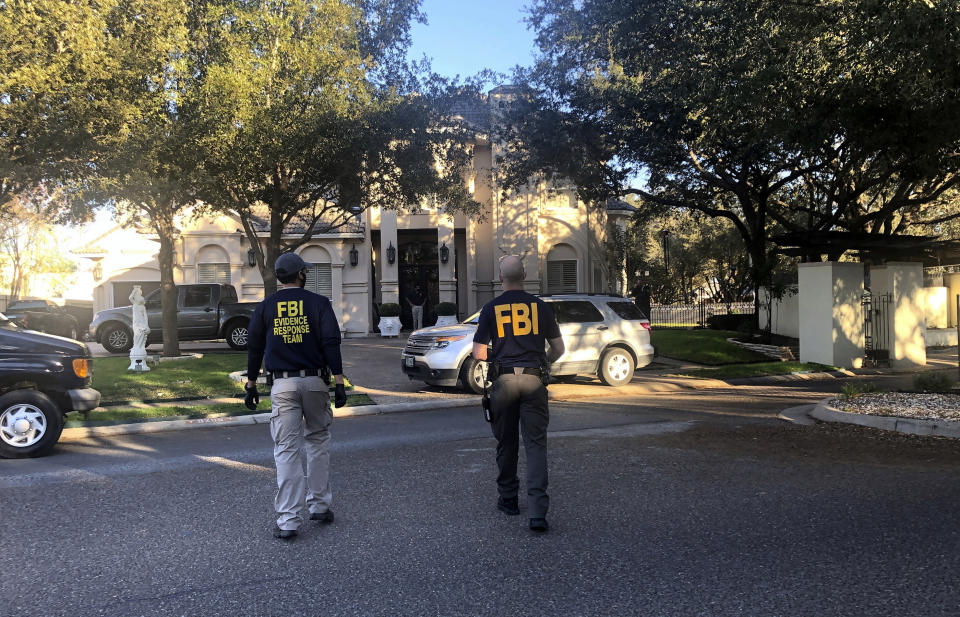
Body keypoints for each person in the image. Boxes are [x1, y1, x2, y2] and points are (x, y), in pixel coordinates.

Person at [245, 252, 348, 540]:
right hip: (315, 381)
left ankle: (288, 520)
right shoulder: (318, 303)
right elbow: (330, 341)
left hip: (282, 384)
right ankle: (319, 506)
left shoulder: (265, 307)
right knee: (317, 441)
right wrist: (339, 381)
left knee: (286, 449)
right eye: (306, 271)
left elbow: (254, 348)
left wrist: (251, 383)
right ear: (300, 274)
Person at [472, 255, 564, 533]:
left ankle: (508, 499)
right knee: (535, 445)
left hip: (504, 379)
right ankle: (538, 513)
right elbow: (559, 348)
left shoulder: (490, 308)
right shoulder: (540, 307)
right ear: (524, 276)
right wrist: (543, 361)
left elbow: (478, 352)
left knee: (507, 443)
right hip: (535, 379)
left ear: (500, 279)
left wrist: (498, 356)